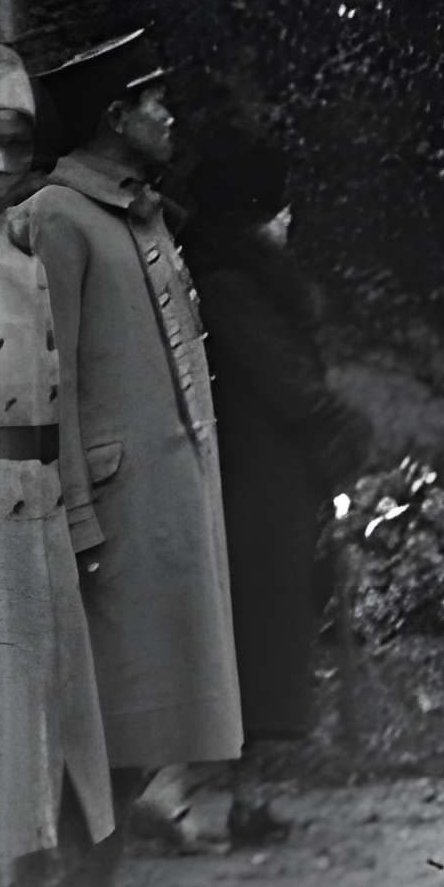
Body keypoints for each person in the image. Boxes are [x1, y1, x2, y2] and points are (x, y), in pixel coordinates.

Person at [22, 32, 245, 887]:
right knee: (104, 712)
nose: (170, 114)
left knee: (147, 708)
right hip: (109, 514)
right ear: (114, 118)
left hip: (166, 504)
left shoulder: (142, 213)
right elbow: (50, 384)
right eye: (153, 100)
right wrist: (73, 516)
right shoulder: (58, 219)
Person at [0, 38, 119, 887]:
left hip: (38, 508)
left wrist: (75, 511)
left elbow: (56, 398)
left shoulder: (25, 259)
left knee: (58, 715)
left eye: (12, 145)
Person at [184, 124, 372, 846]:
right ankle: (202, 797)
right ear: (252, 216)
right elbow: (288, 384)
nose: (288, 221)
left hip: (270, 481)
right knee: (256, 647)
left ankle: (244, 798)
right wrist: (344, 432)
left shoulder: (244, 280)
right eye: (276, 209)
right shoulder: (234, 286)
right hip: (250, 485)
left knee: (265, 646)